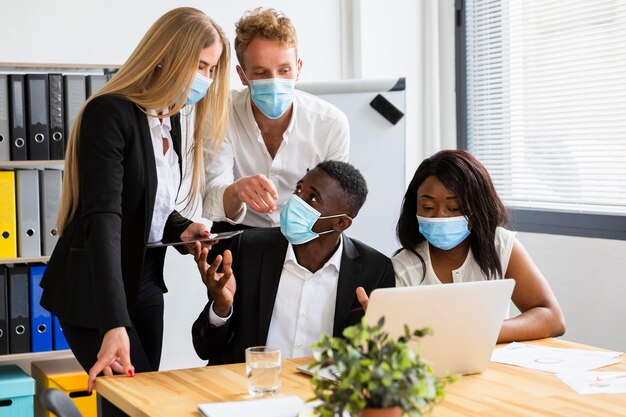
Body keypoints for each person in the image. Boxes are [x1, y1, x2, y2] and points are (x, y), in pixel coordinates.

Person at [40, 7, 231, 395]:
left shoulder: (169, 118)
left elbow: (145, 200)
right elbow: (104, 217)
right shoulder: (109, 113)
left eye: (211, 70)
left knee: (145, 400)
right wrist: (114, 323)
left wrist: (181, 227)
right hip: (98, 286)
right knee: (135, 401)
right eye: (201, 65)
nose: (206, 79)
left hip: (145, 280)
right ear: (167, 55)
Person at [192, 161, 394, 365]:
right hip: (252, 387)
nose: (296, 200)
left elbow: (378, 363)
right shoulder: (247, 249)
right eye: (299, 189)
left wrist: (378, 342)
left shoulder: (375, 270)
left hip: (324, 392)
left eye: (312, 197)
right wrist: (221, 308)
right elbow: (205, 349)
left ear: (341, 223)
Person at [202, 7, 350, 241]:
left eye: (284, 70)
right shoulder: (220, 112)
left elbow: (333, 201)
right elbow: (213, 198)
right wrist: (238, 190)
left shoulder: (330, 124)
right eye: (261, 73)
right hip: (238, 235)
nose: (275, 82)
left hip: (307, 236)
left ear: (298, 68)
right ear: (242, 76)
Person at [392, 150, 566, 343]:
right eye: (427, 207)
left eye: (454, 208)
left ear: (477, 207)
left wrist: (484, 333)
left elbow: (552, 317)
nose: (440, 216)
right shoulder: (403, 268)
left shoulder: (500, 246)